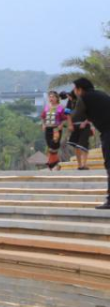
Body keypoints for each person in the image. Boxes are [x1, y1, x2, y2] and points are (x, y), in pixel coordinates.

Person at [70, 77, 110, 209]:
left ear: (80, 89)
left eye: (75, 89)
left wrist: (71, 103)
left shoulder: (84, 98)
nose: (74, 91)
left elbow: (76, 116)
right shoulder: (100, 94)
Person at [65, 90, 94, 171]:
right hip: (74, 126)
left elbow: (91, 113)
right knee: (76, 145)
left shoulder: (84, 100)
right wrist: (70, 124)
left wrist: (85, 122)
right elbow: (67, 114)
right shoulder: (69, 102)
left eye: (70, 96)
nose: (69, 98)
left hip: (85, 125)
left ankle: (85, 164)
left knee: (83, 145)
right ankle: (80, 165)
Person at [41, 90, 67, 171]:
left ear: (57, 98)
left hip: (56, 129)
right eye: (50, 97)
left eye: (53, 97)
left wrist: (61, 125)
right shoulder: (46, 107)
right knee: (50, 147)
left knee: (53, 146)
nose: (51, 98)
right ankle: (56, 164)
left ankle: (51, 164)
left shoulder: (61, 107)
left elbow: (64, 118)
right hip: (48, 129)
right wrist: (43, 124)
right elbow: (43, 117)